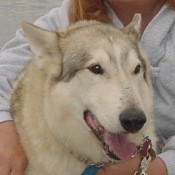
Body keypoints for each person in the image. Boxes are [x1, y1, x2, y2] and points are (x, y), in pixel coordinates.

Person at [0, 0, 175, 174]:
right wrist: (4, 128)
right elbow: (4, 72)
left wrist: (159, 167)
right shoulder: (64, 20)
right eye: (96, 69)